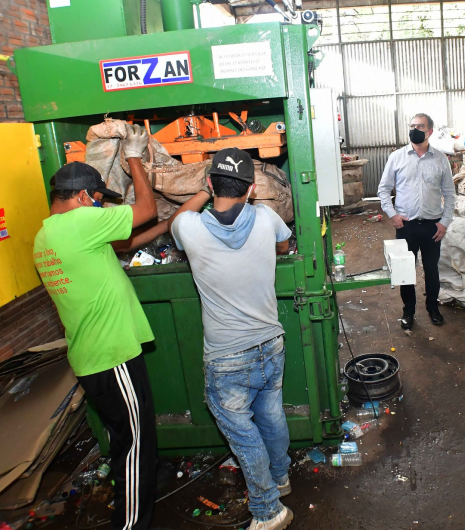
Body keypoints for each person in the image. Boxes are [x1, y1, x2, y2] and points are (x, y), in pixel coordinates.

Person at [32, 125, 158, 530]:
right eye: (100, 199)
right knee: (136, 447)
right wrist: (135, 158)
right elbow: (146, 212)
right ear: (85, 197)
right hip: (112, 355)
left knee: (124, 440)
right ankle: (132, 525)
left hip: (91, 356)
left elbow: (128, 244)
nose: (101, 208)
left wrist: (181, 219)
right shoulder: (84, 223)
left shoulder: (46, 235)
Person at [169, 148, 293, 530]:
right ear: (252, 189)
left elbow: (176, 221)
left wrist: (206, 193)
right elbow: (284, 247)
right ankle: (281, 477)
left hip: (226, 357)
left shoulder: (187, 227)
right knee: (270, 414)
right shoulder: (268, 217)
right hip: (270, 343)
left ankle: (269, 510)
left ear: (209, 184)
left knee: (243, 435)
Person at [377, 113, 455, 330]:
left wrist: (445, 221)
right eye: (412, 126)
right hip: (406, 225)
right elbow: (383, 189)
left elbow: (449, 193)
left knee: (431, 270)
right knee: (405, 271)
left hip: (433, 226)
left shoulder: (440, 159)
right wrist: (392, 214)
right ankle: (408, 310)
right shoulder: (397, 157)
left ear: (429, 131)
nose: (415, 129)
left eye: (420, 126)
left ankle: (432, 307)